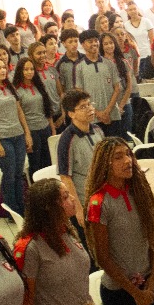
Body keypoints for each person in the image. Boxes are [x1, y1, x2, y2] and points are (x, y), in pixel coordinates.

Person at [85, 138, 154, 305]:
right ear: (105, 164)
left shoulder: (138, 191)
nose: (128, 161)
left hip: (148, 285)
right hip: (120, 292)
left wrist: (152, 283)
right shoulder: (99, 202)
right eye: (118, 157)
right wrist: (136, 293)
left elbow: (153, 240)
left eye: (128, 154)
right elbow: (103, 257)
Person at [0, 59, 33, 216]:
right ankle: (12, 210)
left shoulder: (9, 87)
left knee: (18, 173)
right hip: (2, 138)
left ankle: (20, 207)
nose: (2, 70)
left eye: (4, 67)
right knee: (9, 175)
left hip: (18, 135)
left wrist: (27, 133)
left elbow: (19, 111)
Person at [56, 90, 105, 220]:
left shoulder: (98, 130)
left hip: (103, 195)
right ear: (71, 114)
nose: (89, 109)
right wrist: (78, 210)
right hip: (86, 201)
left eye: (89, 104)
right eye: (83, 107)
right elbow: (65, 177)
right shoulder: (67, 139)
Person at [14, 56, 55, 176]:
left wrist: (52, 128)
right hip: (31, 131)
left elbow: (47, 109)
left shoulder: (39, 86)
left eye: (31, 69)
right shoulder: (17, 90)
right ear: (20, 71)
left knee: (48, 162)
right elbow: (18, 115)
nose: (29, 72)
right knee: (35, 164)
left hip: (45, 128)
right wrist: (27, 135)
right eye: (26, 69)